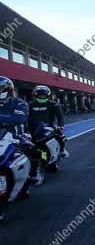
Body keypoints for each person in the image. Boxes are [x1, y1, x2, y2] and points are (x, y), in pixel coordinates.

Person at [0, 77, 40, 214]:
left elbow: (19, 118)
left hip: (17, 137)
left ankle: (33, 174)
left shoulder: (20, 103)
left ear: (7, 90)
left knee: (35, 151)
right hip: (0, 138)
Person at [27, 85, 68, 158]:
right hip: (33, 128)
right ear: (35, 94)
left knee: (61, 136)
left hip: (49, 126)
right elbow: (24, 117)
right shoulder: (29, 105)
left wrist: (60, 126)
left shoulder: (54, 104)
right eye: (40, 94)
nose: (42, 96)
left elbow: (60, 117)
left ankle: (62, 150)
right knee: (29, 146)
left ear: (48, 94)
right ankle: (38, 158)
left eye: (43, 94)